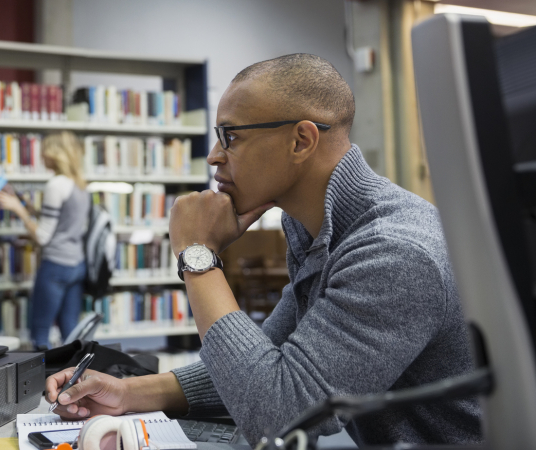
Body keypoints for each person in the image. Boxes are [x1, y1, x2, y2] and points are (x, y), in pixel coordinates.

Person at [44, 54, 482, 446]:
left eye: (231, 136)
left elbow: (277, 415)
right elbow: (266, 369)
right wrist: (127, 394)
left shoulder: (394, 253)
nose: (215, 156)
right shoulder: (320, 229)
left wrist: (198, 256)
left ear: (301, 141)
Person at [0, 131, 90, 350]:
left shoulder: (56, 185)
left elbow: (43, 237)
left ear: (56, 154)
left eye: (45, 151)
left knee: (40, 332)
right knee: (71, 332)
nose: (41, 157)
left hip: (55, 266)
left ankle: (44, 380)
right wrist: (30, 208)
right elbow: (63, 222)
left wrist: (18, 210)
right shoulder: (79, 184)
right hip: (76, 265)